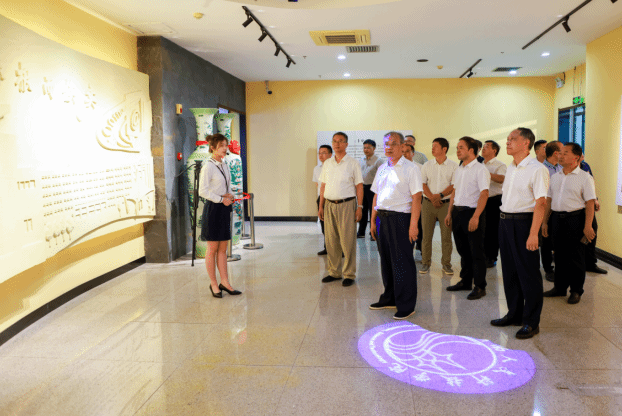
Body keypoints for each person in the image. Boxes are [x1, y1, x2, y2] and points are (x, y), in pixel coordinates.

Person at [491, 127, 549, 340]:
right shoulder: (511, 167)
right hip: (505, 222)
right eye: (507, 139)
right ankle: (514, 314)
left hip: (525, 224)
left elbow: (541, 203)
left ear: (526, 143)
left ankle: (531, 322)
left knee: (528, 273)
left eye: (513, 139)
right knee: (509, 271)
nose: (508, 142)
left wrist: (534, 234)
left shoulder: (537, 169)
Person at [369, 132, 423, 319]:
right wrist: (373, 220)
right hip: (382, 218)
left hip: (401, 219)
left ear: (402, 146)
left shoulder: (411, 168)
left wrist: (413, 225)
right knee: (386, 261)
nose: (389, 147)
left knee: (402, 262)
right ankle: (389, 297)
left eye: (393, 144)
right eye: (386, 144)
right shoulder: (382, 167)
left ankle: (406, 304)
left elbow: (417, 197)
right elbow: (376, 195)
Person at [542, 143, 596, 305]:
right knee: (559, 255)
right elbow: (549, 200)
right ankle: (559, 287)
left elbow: (590, 203)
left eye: (565, 153)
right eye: (560, 153)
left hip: (575, 219)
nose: (560, 155)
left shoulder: (585, 177)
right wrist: (545, 222)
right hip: (556, 219)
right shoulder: (555, 177)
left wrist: (588, 226)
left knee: (576, 257)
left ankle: (576, 290)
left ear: (576, 157)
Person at [445, 137, 490, 300]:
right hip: (457, 213)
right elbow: (454, 192)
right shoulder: (459, 169)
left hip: (472, 213)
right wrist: (449, 213)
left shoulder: (480, 169)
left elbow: (484, 194)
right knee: (463, 250)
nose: (457, 150)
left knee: (476, 251)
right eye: (457, 147)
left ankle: (480, 286)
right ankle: (465, 281)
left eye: (461, 148)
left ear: (471, 150)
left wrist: (476, 216)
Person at [199, 134, 242, 298]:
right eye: (222, 145)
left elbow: (226, 186)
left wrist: (230, 195)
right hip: (213, 209)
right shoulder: (208, 166)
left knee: (223, 248)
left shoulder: (224, 164)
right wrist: (220, 199)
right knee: (212, 249)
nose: (225, 148)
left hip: (224, 208)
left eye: (226, 145)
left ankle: (225, 282)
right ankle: (214, 284)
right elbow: (203, 191)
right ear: (213, 148)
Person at [318, 132, 364, 287]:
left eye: (340, 141)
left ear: (346, 144)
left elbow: (359, 186)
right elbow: (323, 186)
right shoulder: (327, 163)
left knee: (347, 240)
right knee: (331, 240)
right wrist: (321, 206)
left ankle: (349, 274)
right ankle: (334, 272)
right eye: (334, 141)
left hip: (347, 205)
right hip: (329, 205)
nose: (337, 144)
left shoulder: (353, 163)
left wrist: (359, 207)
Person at [420, 138, 457, 275]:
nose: (432, 148)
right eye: (432, 146)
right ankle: (425, 262)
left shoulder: (454, 166)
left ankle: (446, 264)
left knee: (446, 236)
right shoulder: (427, 165)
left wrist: (440, 196)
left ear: (444, 149)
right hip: (428, 204)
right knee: (426, 235)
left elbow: (454, 185)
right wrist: (432, 198)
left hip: (446, 205)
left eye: (435, 146)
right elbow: (423, 184)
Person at [580, 157, 608, 274]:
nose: (582, 156)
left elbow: (591, 184)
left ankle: (590, 263)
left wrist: (595, 199)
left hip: (588, 205)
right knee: (578, 235)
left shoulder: (585, 166)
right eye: (580, 154)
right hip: (576, 208)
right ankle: (579, 263)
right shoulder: (566, 169)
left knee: (592, 231)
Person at [540, 141, 563, 282]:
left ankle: (560, 267)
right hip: (545, 208)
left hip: (559, 209)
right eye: (562, 150)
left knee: (559, 240)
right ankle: (548, 269)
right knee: (546, 241)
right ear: (556, 153)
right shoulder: (541, 170)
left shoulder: (561, 168)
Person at [481, 140, 507, 267]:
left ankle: (491, 257)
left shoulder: (500, 165)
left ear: (494, 150)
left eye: (487, 146)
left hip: (494, 201)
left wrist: (486, 173)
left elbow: (501, 179)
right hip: (480, 200)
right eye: (483, 146)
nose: (483, 148)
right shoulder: (479, 164)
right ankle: (482, 255)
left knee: (492, 230)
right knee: (482, 229)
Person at [358, 139, 384, 238]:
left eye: (368, 148)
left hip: (373, 189)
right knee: (362, 210)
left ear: (374, 148)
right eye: (364, 148)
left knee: (373, 211)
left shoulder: (379, 161)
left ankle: (373, 232)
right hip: (362, 188)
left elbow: (382, 176)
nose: (366, 149)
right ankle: (361, 232)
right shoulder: (361, 160)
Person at [403, 143, 424, 261]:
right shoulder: (398, 168)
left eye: (407, 151)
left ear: (413, 153)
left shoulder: (419, 167)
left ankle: (421, 250)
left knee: (419, 227)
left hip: (418, 202)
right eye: (402, 152)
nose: (404, 154)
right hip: (404, 205)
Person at [313, 145, 332, 255]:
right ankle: (327, 247)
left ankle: (339, 249)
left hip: (332, 197)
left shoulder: (334, 167)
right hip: (321, 198)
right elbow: (317, 184)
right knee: (323, 223)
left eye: (324, 153)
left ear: (330, 154)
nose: (321, 155)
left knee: (334, 225)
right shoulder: (316, 168)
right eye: (319, 153)